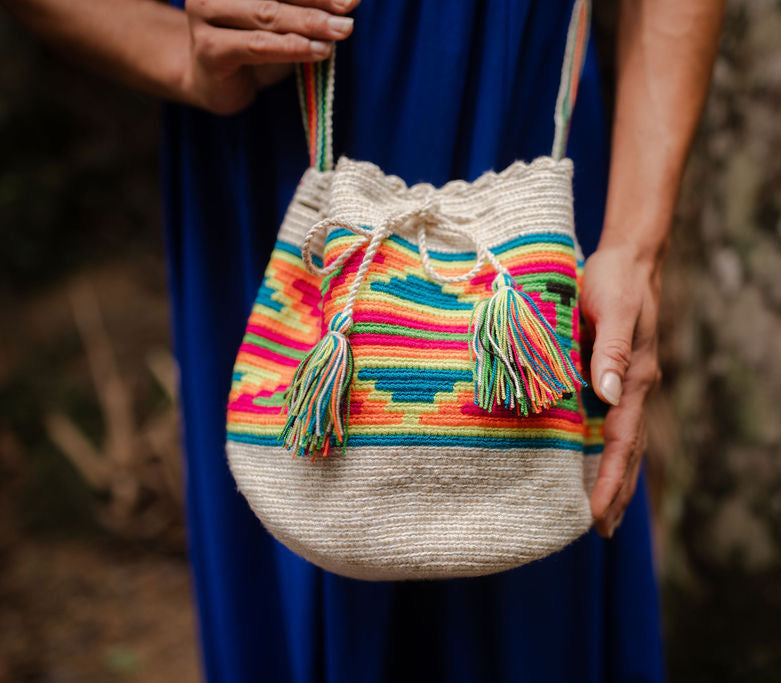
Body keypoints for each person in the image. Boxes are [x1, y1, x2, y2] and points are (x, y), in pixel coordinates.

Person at [5, 0, 723, 679]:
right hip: (272, 119)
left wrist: (635, 245)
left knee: (539, 620)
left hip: (529, 138)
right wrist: (170, 49)